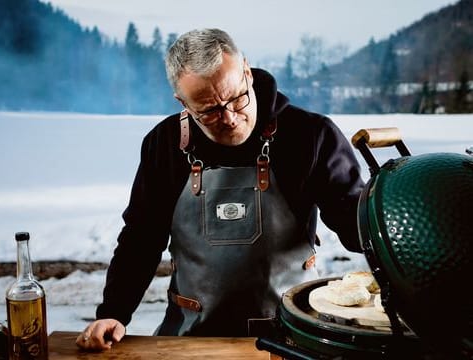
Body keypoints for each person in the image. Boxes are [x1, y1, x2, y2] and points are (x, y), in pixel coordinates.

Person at [76, 28, 364, 351]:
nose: (229, 118)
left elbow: (357, 223)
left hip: (292, 341)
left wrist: (396, 231)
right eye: (209, 111)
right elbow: (140, 239)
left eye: (237, 98)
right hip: (190, 341)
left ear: (246, 70)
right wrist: (114, 313)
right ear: (183, 103)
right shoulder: (164, 145)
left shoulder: (311, 136)